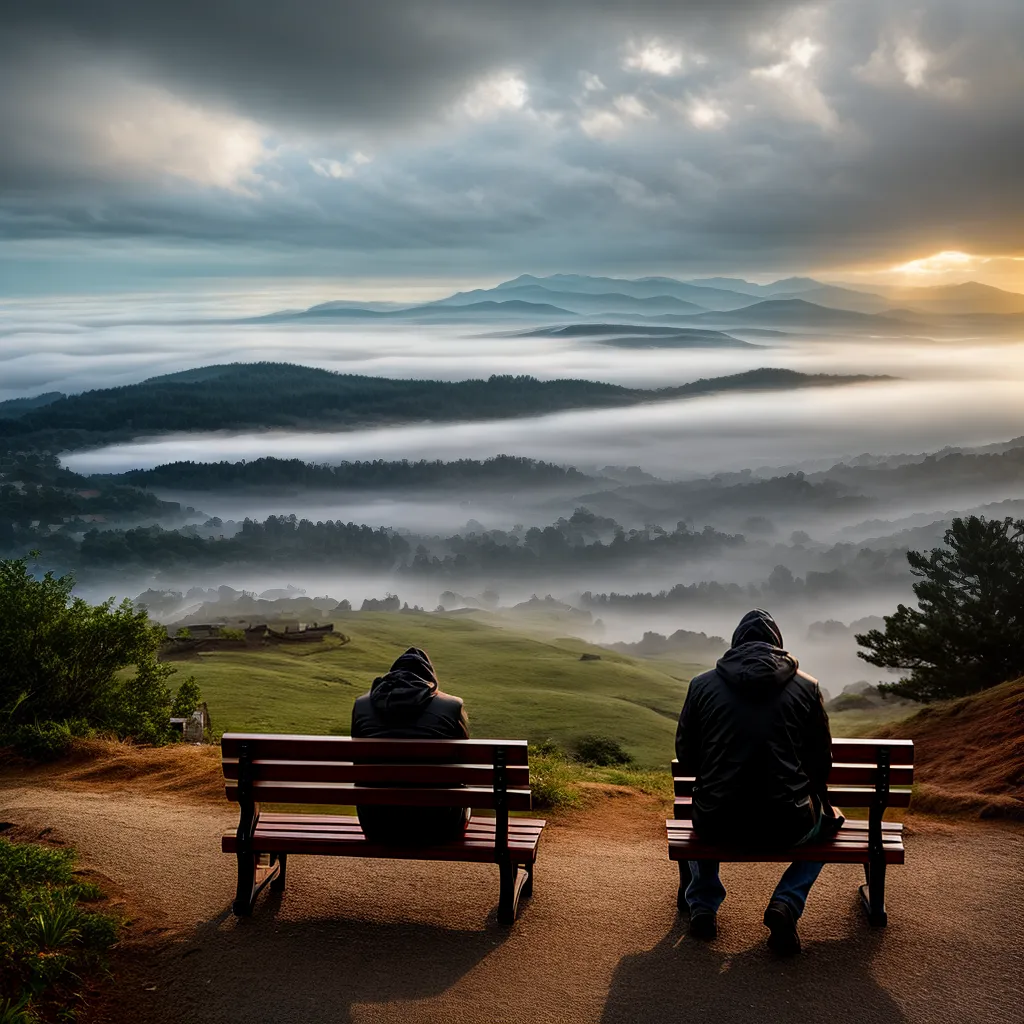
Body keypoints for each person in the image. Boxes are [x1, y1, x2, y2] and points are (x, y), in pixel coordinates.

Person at [675, 609, 842, 955]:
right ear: (778, 646)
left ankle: (704, 904)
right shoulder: (807, 687)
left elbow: (688, 758)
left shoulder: (701, 685)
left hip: (718, 821)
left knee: (703, 805)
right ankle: (786, 902)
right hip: (788, 823)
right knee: (830, 823)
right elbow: (821, 763)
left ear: (736, 644)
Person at [351, 646, 471, 845]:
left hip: (377, 824)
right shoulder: (452, 706)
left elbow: (358, 763)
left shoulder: (362, 706)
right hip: (440, 825)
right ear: (429, 678)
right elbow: (463, 764)